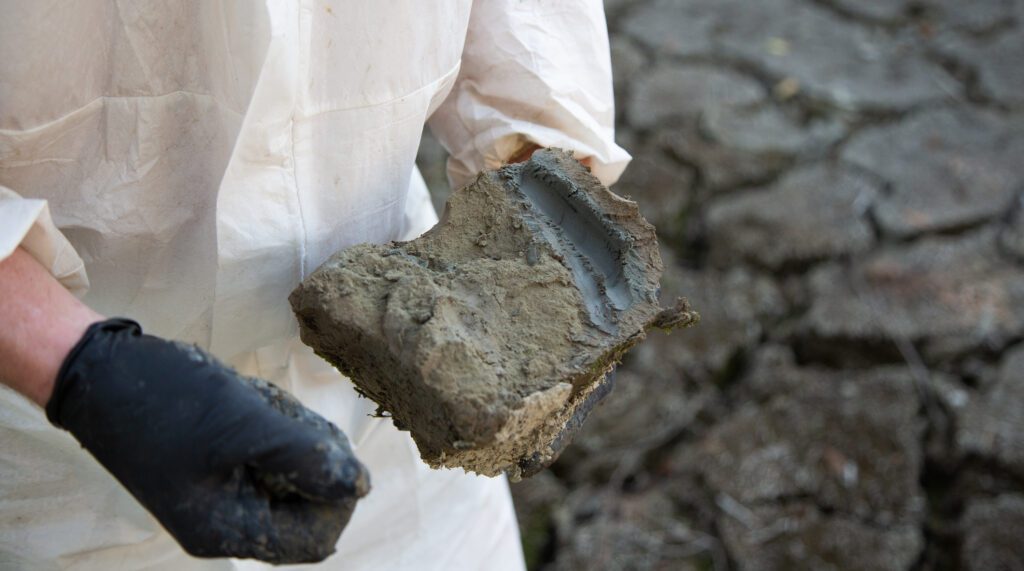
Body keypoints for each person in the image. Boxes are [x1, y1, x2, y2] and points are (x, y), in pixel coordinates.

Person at [0, 1, 630, 569]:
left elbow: (530, 29)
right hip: (69, 437)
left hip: (393, 413)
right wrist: (82, 367)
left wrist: (550, 205)